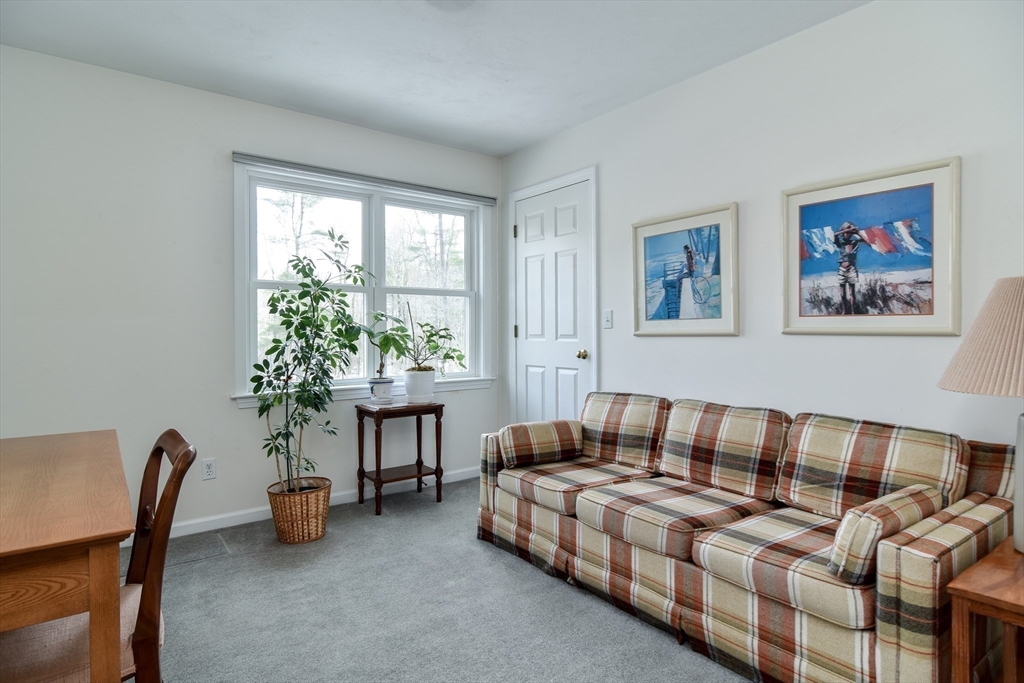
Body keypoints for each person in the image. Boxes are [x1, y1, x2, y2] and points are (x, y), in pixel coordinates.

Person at [833, 221, 864, 315]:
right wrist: (847, 229)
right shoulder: (840, 243)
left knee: (851, 293)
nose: (848, 234)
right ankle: (844, 311)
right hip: (842, 270)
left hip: (851, 269)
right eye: (846, 232)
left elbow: (866, 241)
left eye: (850, 233)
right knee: (842, 293)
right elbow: (835, 235)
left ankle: (853, 311)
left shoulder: (854, 242)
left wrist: (857, 232)